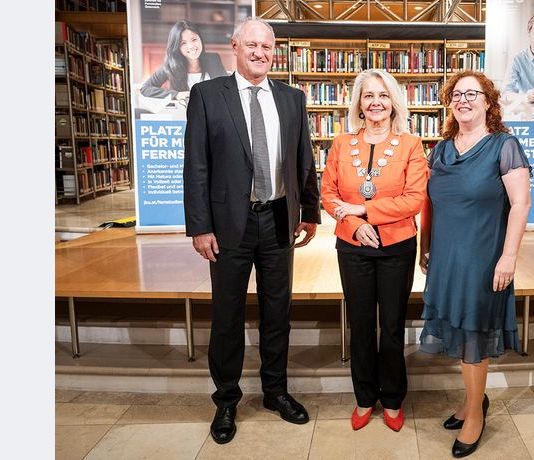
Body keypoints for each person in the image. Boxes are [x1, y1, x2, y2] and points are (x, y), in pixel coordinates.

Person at [183, 17, 320, 445]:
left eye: (267, 46)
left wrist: (310, 211)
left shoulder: (292, 98)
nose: (260, 53)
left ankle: (275, 391)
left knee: (278, 311)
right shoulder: (207, 95)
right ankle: (226, 400)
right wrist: (200, 226)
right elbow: (196, 166)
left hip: (279, 219)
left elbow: (304, 160)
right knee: (227, 315)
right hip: (228, 226)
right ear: (234, 46)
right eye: (252, 45)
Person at [418, 70, 531, 458]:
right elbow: (430, 204)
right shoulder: (441, 149)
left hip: (484, 257)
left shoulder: (504, 145)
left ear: (488, 101)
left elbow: (520, 204)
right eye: (457, 94)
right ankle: (472, 401)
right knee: (457, 326)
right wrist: (424, 247)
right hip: (447, 257)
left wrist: (510, 256)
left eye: (473, 93)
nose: (463, 99)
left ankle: (476, 418)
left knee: (474, 334)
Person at [320, 69, 428, 432]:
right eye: (368, 96)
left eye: (383, 95)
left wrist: (367, 211)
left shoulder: (412, 145)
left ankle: (394, 399)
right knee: (361, 325)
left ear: (393, 102)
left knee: (393, 326)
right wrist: (354, 224)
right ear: (359, 104)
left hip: (397, 246)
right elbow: (328, 195)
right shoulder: (340, 143)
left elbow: (414, 199)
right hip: (352, 246)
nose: (376, 102)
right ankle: (365, 397)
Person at [141, 20, 227, 101]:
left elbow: (226, 87)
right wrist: (176, 95)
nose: (191, 46)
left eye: (194, 40)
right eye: (183, 43)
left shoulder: (213, 59)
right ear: (177, 47)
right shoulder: (170, 66)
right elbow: (145, 88)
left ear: (200, 39)